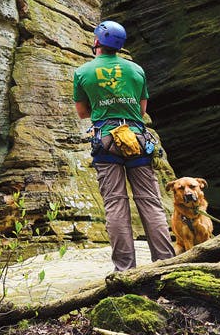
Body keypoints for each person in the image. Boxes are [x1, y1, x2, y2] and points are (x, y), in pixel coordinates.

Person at [73, 20, 175, 271]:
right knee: (150, 202)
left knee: (115, 204)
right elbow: (141, 110)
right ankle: (165, 264)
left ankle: (125, 270)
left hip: (106, 141)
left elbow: (83, 113)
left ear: (97, 41)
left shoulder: (83, 72)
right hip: (137, 138)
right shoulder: (136, 70)